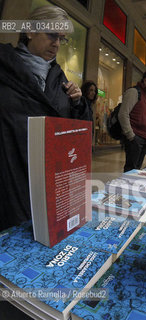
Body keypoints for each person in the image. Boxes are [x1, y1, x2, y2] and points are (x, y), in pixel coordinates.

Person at [0, 5, 93, 232]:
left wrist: (78, 103)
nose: (57, 44)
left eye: (62, 38)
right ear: (30, 31)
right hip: (9, 178)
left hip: (48, 183)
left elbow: (77, 135)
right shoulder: (4, 69)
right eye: (52, 35)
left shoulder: (60, 80)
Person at [118, 70, 146, 172]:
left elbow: (142, 115)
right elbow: (123, 114)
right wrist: (131, 136)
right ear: (145, 81)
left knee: (136, 169)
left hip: (145, 138)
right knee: (131, 169)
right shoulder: (134, 92)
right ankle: (126, 187)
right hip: (135, 138)